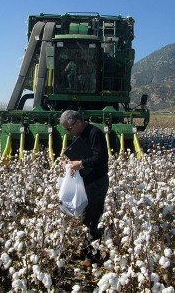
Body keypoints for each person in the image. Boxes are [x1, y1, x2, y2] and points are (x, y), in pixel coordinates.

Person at [60, 110, 109, 265]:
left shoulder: (95, 133)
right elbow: (81, 155)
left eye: (69, 129)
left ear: (78, 122)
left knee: (93, 218)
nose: (68, 132)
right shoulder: (78, 135)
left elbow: (100, 157)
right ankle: (87, 249)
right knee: (86, 217)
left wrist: (80, 164)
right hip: (86, 181)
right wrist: (69, 164)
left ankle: (93, 257)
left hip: (97, 182)